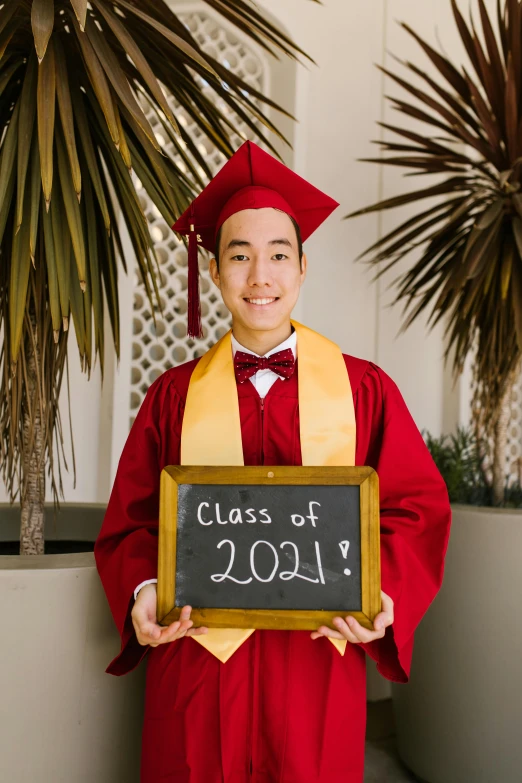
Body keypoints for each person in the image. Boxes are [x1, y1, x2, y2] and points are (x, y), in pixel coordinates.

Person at [94, 140, 452, 783]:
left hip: (314, 663)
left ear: (304, 268)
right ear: (214, 272)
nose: (261, 276)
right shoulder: (173, 396)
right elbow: (131, 520)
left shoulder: (362, 389)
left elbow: (415, 507)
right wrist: (145, 592)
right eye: (240, 256)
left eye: (278, 255)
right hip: (201, 667)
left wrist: (382, 591)